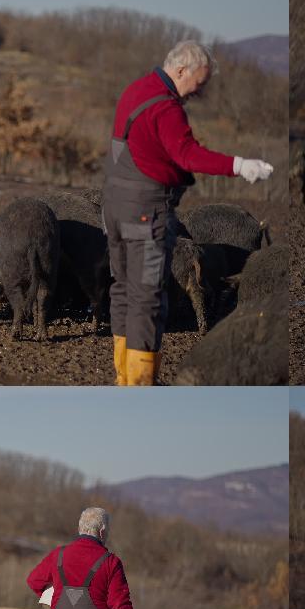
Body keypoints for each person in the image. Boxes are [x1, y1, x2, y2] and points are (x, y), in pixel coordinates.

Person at [103, 40, 274, 386]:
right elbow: (188, 155)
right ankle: (140, 383)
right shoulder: (166, 109)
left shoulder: (135, 90)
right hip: (145, 213)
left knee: (123, 288)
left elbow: (129, 149)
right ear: (181, 70)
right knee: (147, 297)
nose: (199, 92)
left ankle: (124, 377)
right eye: (199, 82)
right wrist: (239, 165)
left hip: (114, 208)